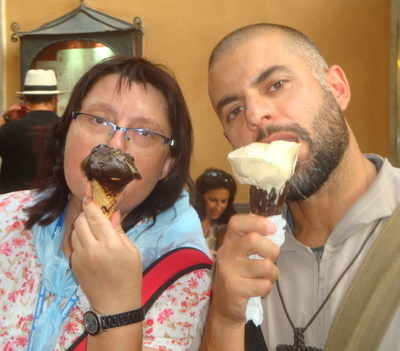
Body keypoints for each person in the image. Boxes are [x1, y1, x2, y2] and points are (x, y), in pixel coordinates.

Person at [200, 23, 400, 350]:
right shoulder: (241, 256)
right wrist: (224, 317)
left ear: (336, 88)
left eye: (276, 84)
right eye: (234, 110)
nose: (254, 115)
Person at [0, 56, 212, 351]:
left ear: (167, 165)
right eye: (99, 120)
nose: (114, 145)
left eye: (144, 133)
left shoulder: (182, 277)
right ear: (65, 133)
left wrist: (116, 305)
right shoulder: (5, 218)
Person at [0, 69, 63, 193]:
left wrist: (5, 118)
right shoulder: (65, 128)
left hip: (12, 207)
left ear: (25, 100)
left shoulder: (9, 130)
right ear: (54, 100)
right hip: (52, 204)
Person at [193, 168, 237, 257]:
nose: (218, 207)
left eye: (224, 201)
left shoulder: (221, 226)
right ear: (200, 197)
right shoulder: (186, 220)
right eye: (213, 200)